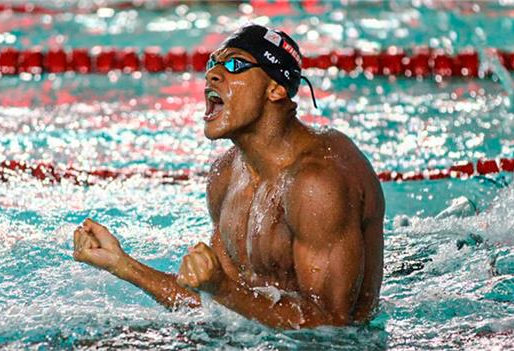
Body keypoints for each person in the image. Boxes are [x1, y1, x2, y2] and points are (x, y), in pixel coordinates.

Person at [73, 24, 385, 329]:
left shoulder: (318, 182)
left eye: (235, 64)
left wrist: (222, 288)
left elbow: (331, 324)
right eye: (212, 63)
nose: (213, 74)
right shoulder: (226, 175)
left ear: (276, 89)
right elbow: (220, 308)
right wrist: (122, 264)